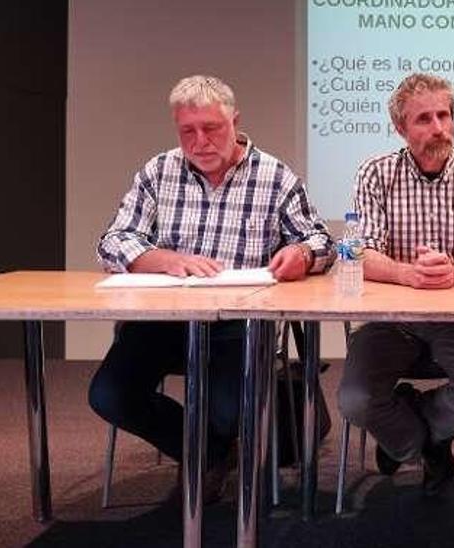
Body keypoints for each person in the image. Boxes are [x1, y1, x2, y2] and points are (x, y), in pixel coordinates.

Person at [92, 75, 334, 503]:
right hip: (163, 320)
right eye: (188, 131)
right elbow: (113, 240)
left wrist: (301, 254)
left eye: (212, 128)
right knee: (109, 394)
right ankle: (207, 453)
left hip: (237, 323)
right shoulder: (158, 171)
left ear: (234, 121)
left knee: (227, 409)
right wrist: (164, 260)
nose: (200, 141)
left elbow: (321, 241)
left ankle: (211, 448)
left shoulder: (275, 176)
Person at [337, 73, 454, 497]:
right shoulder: (376, 173)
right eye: (423, 119)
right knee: (355, 401)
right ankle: (423, 444)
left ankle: (411, 426)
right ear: (401, 128)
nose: (438, 127)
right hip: (389, 319)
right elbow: (362, 250)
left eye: (444, 115)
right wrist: (406, 274)